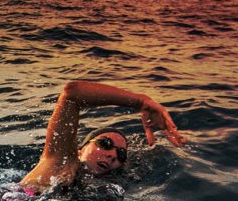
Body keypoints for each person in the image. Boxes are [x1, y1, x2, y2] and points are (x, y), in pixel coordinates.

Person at [20, 81, 186, 192]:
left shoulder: (108, 187)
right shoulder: (60, 162)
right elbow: (72, 94)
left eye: (120, 154)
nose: (112, 154)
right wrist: (140, 101)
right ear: (80, 150)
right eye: (105, 143)